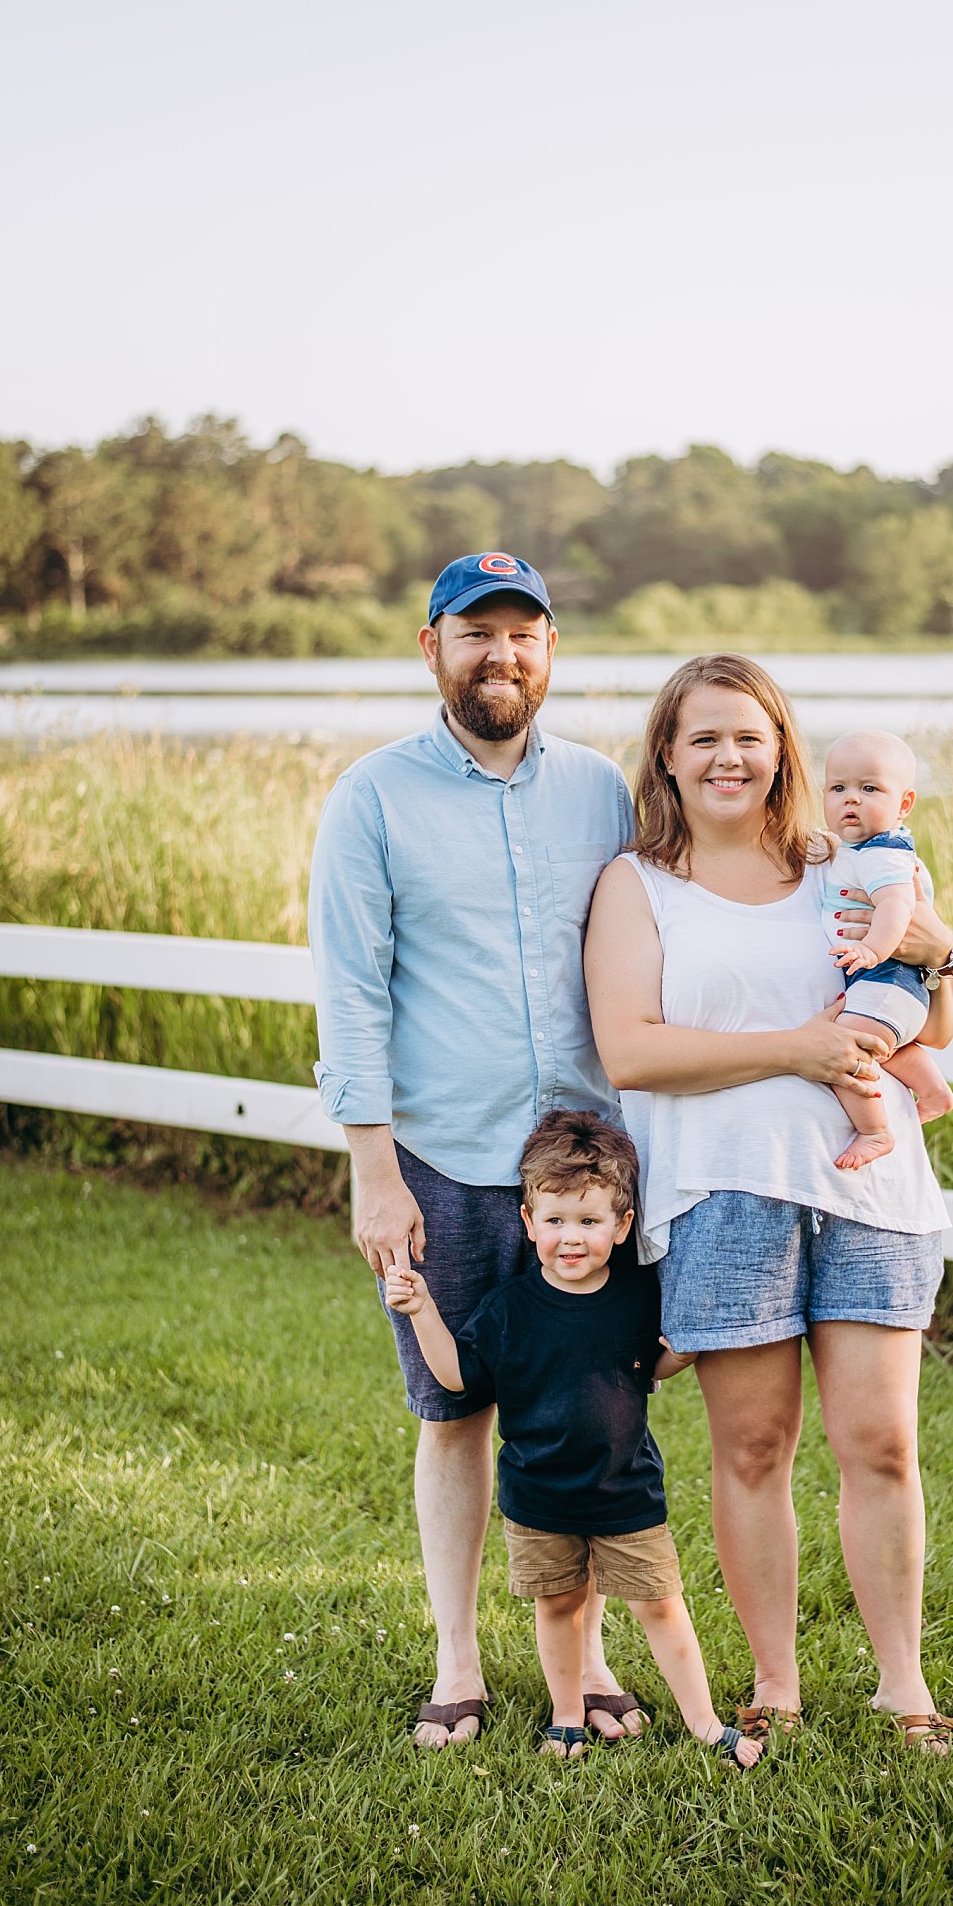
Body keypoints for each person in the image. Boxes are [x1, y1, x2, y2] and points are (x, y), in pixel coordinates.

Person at [584, 653, 953, 1753]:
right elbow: (630, 1048)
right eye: (702, 736)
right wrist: (795, 1047)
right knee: (752, 1447)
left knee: (880, 1442)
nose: (727, 756)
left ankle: (904, 1685)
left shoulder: (839, 859)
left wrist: (945, 951)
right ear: (666, 753)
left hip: (869, 1190)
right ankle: (775, 1682)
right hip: (722, 1193)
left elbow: (929, 1023)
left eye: (748, 735)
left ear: (780, 749)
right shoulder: (637, 883)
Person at [308, 550, 644, 1751]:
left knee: (593, 1405)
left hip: (585, 1169)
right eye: (476, 632)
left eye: (524, 633)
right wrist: (372, 1164)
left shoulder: (605, 790)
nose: (501, 654)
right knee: (452, 1410)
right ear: (431, 645)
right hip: (441, 1159)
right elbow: (350, 992)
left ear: (551, 649)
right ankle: (458, 1658)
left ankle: (586, 1651)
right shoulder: (373, 796)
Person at [385, 1110, 765, 1769]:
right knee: (557, 1605)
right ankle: (566, 1716)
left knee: (659, 1605)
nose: (570, 1237)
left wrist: (687, 1351)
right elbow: (455, 1377)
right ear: (527, 1222)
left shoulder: (636, 1296)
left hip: (625, 1492)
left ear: (621, 1227)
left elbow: (650, 1365)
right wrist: (422, 1312)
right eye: (555, 1220)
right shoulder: (508, 1309)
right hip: (538, 1499)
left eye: (589, 1222)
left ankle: (702, 1721)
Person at [821, 729, 953, 1169]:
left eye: (869, 789)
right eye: (838, 789)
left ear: (904, 805)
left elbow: (899, 906)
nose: (851, 800)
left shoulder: (883, 852)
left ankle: (875, 1131)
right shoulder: (856, 849)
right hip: (887, 981)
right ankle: (934, 1090)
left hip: (887, 973)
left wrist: (873, 950)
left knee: (844, 1048)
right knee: (884, 1042)